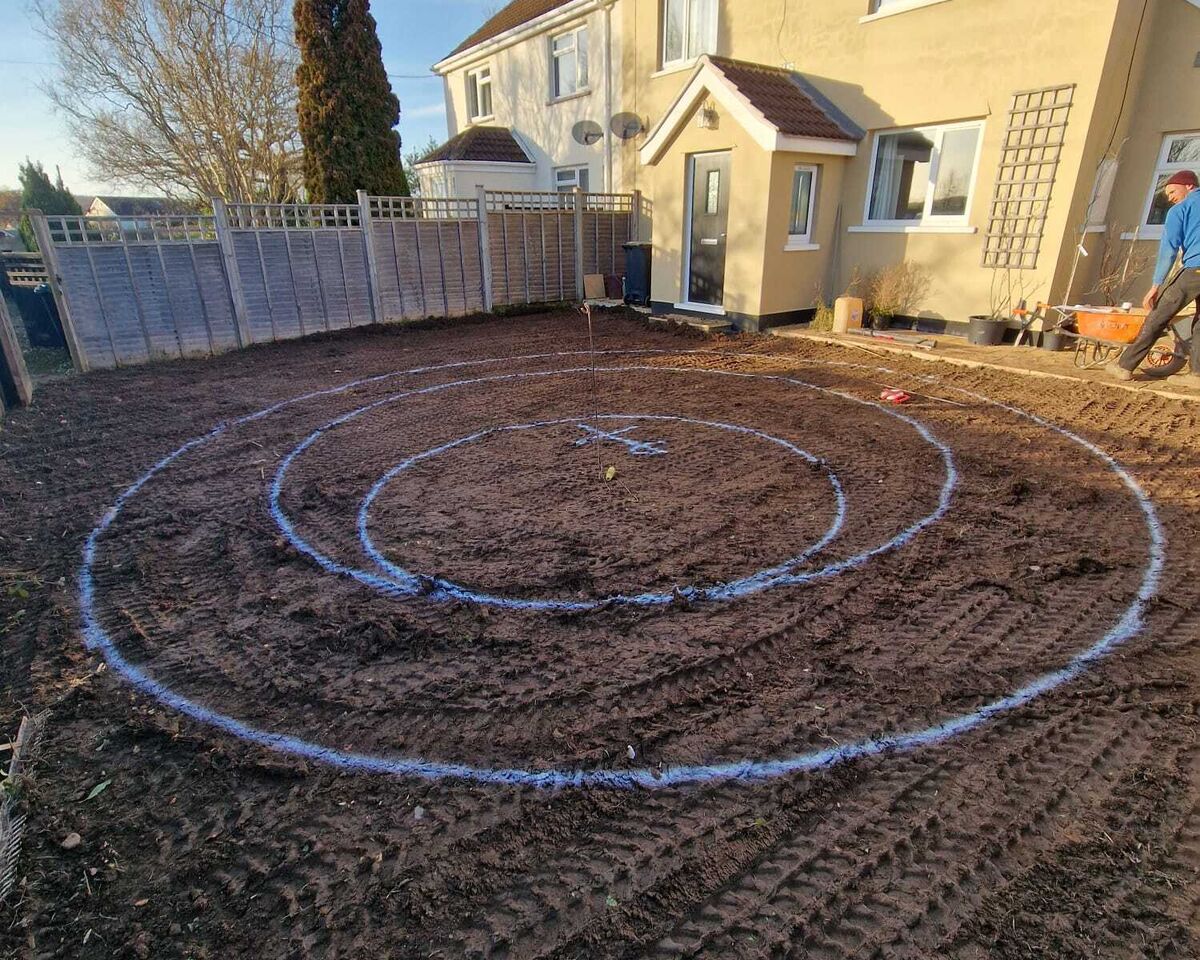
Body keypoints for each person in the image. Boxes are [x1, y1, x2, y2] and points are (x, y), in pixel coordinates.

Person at [1112, 169, 1200, 381]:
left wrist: (1155, 285)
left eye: (1172, 191)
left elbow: (1168, 250)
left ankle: (1124, 366)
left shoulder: (1181, 210)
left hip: (1196, 269)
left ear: (1189, 185)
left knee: (1158, 315)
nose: (1170, 198)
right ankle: (1197, 375)